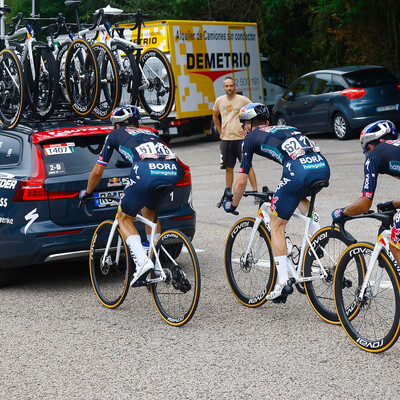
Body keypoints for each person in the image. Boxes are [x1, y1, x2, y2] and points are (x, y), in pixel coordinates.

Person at [223, 103, 330, 303]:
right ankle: (318, 235)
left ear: (247, 125)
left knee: (276, 224)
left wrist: (233, 204)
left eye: (244, 124)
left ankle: (282, 283)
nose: (243, 128)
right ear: (266, 122)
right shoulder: (287, 128)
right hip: (322, 166)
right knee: (298, 195)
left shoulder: (250, 138)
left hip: (298, 171)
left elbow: (241, 180)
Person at [79, 105, 183, 286]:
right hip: (173, 171)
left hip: (146, 170)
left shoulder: (113, 135)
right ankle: (156, 265)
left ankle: (143, 262)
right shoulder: (150, 133)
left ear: (117, 125)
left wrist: (87, 192)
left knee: (124, 218)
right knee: (149, 213)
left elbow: (97, 172)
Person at [331, 119, 400, 264]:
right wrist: (393, 204)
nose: (367, 155)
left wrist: (342, 212)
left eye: (366, 151)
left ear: (370, 145)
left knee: (395, 246)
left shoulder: (374, 155)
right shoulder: (395, 150)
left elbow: (364, 204)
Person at [213, 76, 258, 192]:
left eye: (231, 85)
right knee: (228, 168)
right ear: (223, 87)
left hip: (241, 139)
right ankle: (228, 192)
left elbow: (255, 113)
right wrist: (220, 131)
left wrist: (249, 130)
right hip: (226, 139)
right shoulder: (219, 101)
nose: (229, 88)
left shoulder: (243, 100)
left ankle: (255, 191)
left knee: (248, 166)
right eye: (227, 86)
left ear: (235, 86)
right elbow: (215, 117)